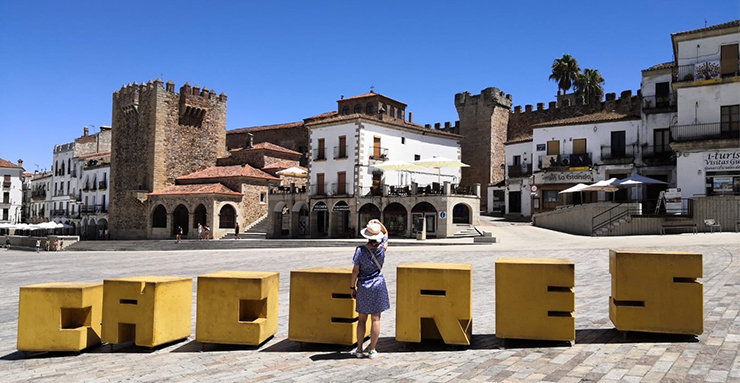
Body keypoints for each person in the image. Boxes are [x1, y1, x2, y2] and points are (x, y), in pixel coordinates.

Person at [351, 219, 390, 359]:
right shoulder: (382, 249)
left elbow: (355, 271)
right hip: (378, 285)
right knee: (376, 319)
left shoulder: (360, 251)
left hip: (363, 285)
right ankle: (372, 350)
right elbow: (386, 234)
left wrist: (352, 287)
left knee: (361, 319)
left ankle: (360, 349)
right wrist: (379, 223)